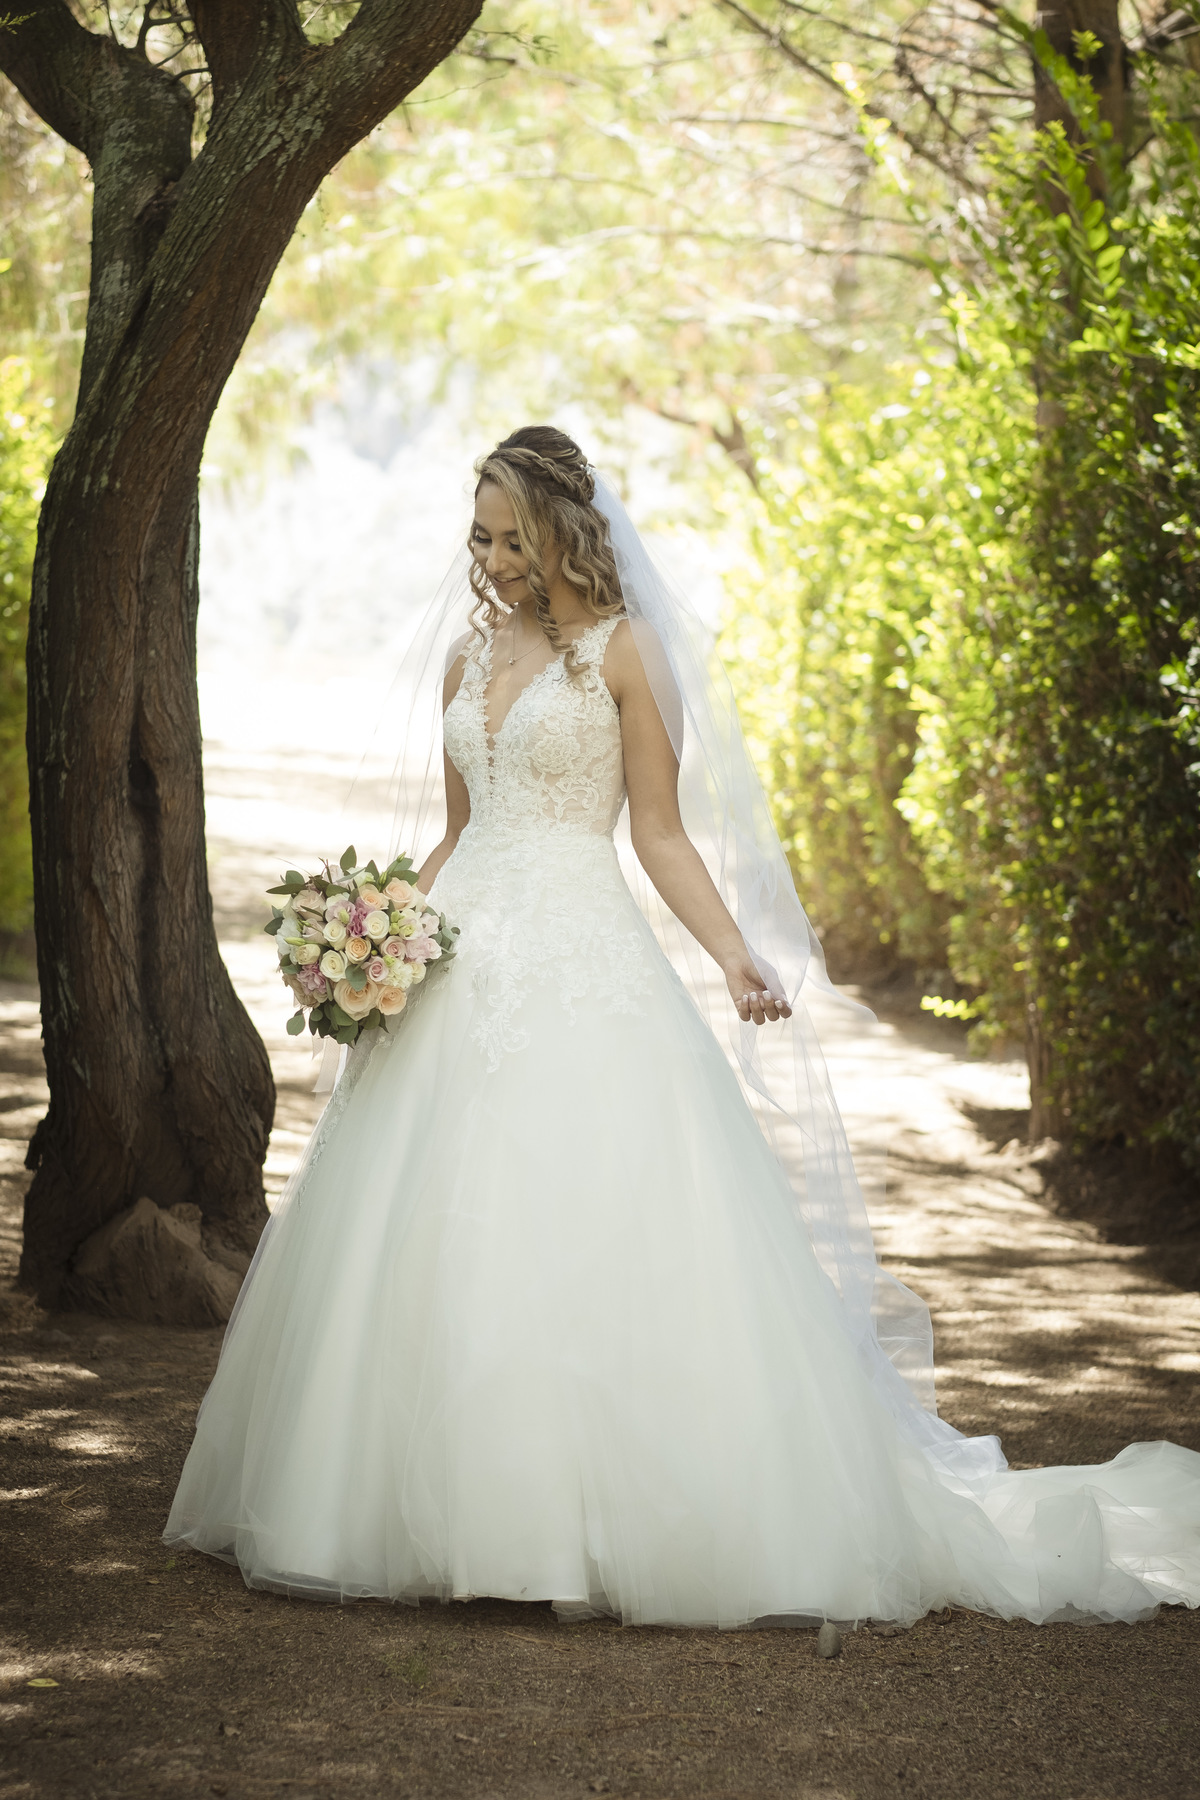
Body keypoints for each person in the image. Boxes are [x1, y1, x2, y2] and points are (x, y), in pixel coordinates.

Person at [165, 426, 1200, 1629]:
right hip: (457, 962)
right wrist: (378, 933)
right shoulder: (466, 656)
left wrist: (734, 956)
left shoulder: (624, 653)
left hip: (582, 957)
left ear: (562, 532)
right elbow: (460, 831)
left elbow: (655, 832)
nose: (493, 560)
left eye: (512, 538)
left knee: (578, 1214)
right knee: (419, 1225)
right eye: (481, 538)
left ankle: (578, 1524)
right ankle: (422, 1515)